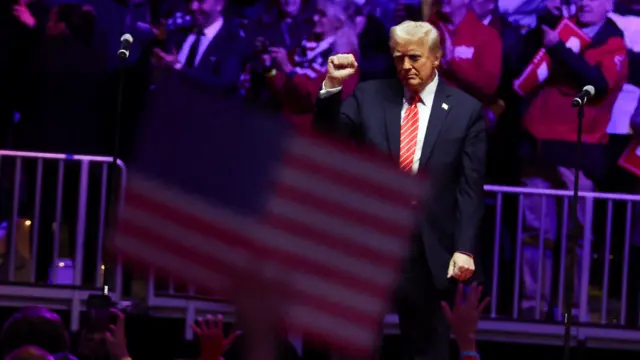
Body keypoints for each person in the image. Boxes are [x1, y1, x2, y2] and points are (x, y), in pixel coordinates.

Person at [314, 20, 486, 360]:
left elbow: (470, 188)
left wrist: (464, 248)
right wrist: (332, 87)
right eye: (398, 58)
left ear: (436, 57)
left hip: (430, 253)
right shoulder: (368, 96)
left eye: (414, 57)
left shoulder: (466, 111)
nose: (405, 66)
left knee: (427, 349)